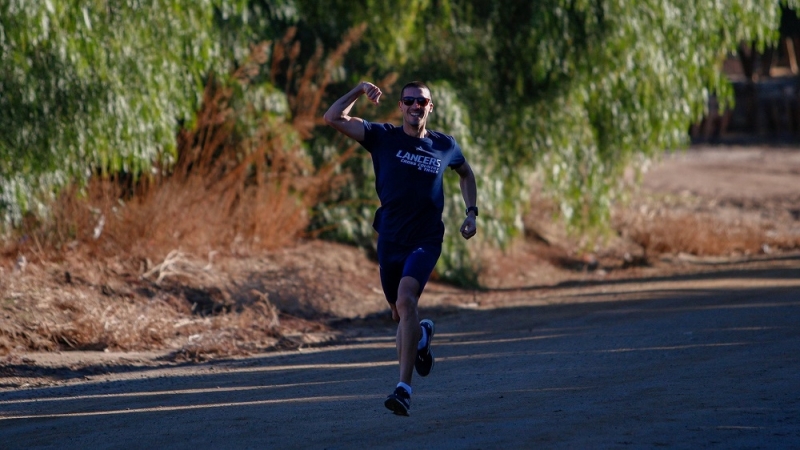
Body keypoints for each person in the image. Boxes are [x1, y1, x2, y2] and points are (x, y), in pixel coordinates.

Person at [323, 81, 478, 416]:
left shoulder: (444, 145)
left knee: (407, 300)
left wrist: (471, 213)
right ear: (400, 106)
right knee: (399, 313)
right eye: (409, 101)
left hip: (425, 239)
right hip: (390, 239)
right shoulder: (382, 137)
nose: (415, 106)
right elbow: (333, 117)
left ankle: (403, 389)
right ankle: (421, 337)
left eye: (421, 102)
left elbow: (466, 174)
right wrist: (359, 90)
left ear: (430, 107)